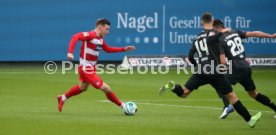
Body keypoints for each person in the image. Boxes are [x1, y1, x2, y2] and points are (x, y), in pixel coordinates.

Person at [159, 12, 261, 128]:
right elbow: (220, 45)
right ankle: (249, 120)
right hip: (214, 69)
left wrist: (197, 66)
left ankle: (173, 87)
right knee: (232, 96)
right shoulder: (217, 34)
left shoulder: (197, 38)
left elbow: (190, 57)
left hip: (202, 70)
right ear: (212, 22)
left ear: (201, 23)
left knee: (184, 93)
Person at [57, 18, 136, 113]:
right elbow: (75, 37)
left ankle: (63, 98)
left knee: (82, 87)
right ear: (100, 27)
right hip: (86, 69)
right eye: (106, 29)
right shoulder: (91, 35)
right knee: (106, 88)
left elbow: (108, 49)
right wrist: (70, 52)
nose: (108, 32)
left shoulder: (100, 39)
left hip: (91, 68)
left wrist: (124, 49)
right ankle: (123, 106)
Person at [213, 19, 276, 119]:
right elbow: (255, 33)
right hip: (246, 67)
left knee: (219, 82)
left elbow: (224, 62)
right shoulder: (236, 32)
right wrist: (271, 36)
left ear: (217, 28)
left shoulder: (220, 40)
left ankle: (228, 106)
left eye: (214, 30)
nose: (213, 33)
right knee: (253, 93)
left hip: (236, 67)